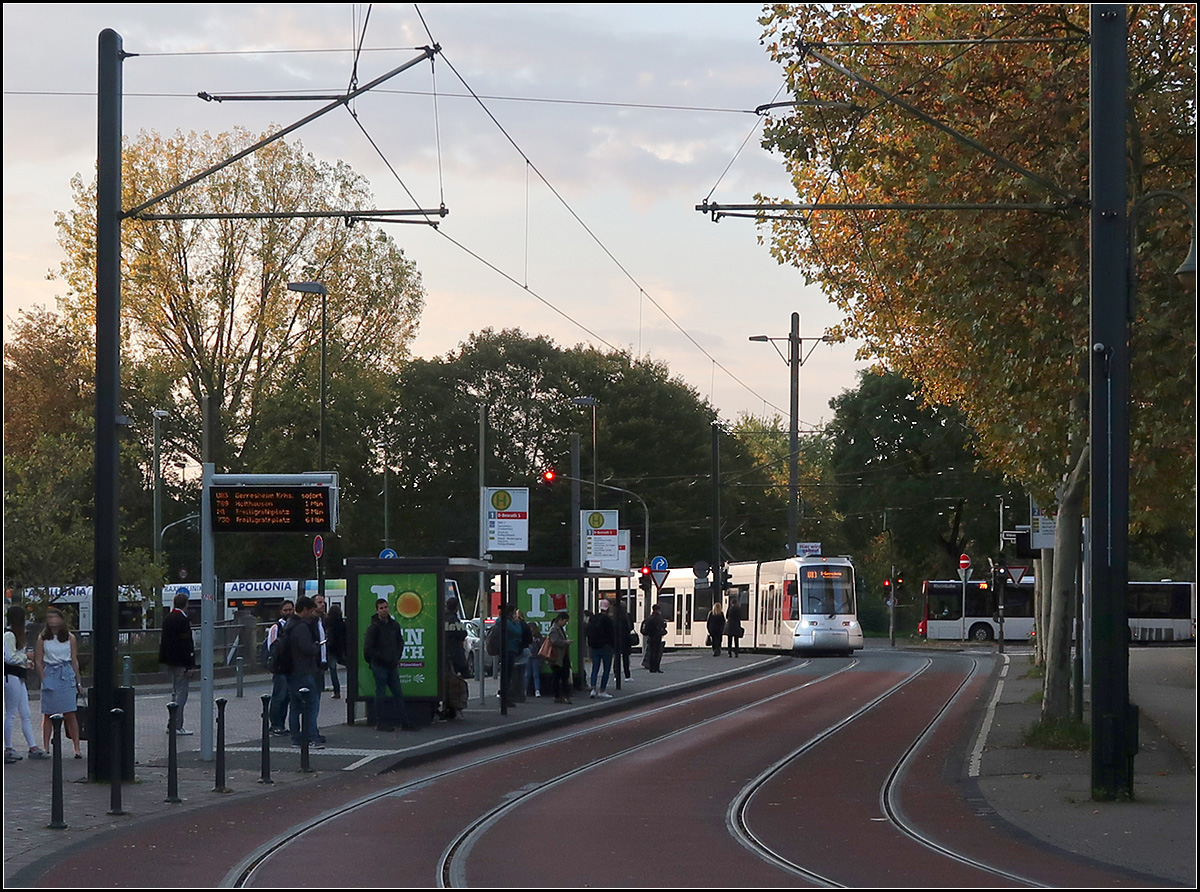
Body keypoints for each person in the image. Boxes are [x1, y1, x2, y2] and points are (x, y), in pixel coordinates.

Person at [33, 607, 83, 758]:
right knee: (48, 713)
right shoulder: (42, 638)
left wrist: (78, 681)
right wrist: (43, 678)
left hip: (66, 673)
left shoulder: (70, 637)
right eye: (50, 618)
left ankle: (76, 747)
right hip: (51, 673)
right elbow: (38, 660)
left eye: (56, 617)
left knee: (70, 712)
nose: (53, 621)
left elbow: (74, 659)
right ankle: (46, 747)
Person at [5, 605, 48, 762]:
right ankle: (9, 748)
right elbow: (9, 658)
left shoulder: (12, 635)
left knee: (24, 713)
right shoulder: (10, 635)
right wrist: (25, 658)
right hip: (12, 676)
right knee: (12, 712)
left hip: (16, 675)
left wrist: (24, 661)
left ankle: (31, 746)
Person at [363, 598, 413, 732]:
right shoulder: (373, 628)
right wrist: (379, 659)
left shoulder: (394, 625)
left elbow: (400, 642)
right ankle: (381, 723)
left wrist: (396, 657)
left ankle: (405, 722)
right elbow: (368, 648)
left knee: (398, 693)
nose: (384, 610)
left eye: (385, 607)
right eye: (381, 608)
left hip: (391, 664)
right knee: (381, 694)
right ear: (377, 610)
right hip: (379, 665)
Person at [285, 596, 323, 748]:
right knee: (311, 705)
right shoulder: (301, 627)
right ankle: (312, 737)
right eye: (311, 610)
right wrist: (317, 646)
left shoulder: (290, 624)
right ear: (306, 610)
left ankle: (296, 738)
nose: (312, 613)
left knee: (295, 706)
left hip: (291, 670)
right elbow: (307, 648)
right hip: (303, 670)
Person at [158, 591, 196, 735]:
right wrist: (189, 665)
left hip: (171, 662)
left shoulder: (168, 618)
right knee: (181, 693)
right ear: (185, 604)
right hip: (181, 662)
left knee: (175, 692)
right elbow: (186, 644)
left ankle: (172, 722)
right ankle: (177, 725)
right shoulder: (182, 620)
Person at [266, 600, 295, 735]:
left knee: (287, 697)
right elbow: (271, 648)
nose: (288, 612)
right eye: (286, 610)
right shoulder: (276, 627)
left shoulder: (293, 625)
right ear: (281, 612)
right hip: (279, 668)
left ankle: (281, 724)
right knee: (279, 696)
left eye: (290, 609)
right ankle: (275, 724)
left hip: (290, 667)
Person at [440, 596, 469, 720]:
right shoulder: (453, 619)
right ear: (456, 607)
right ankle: (451, 708)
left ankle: (446, 706)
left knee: (445, 682)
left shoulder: (442, 618)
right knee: (452, 681)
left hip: (443, 653)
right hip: (453, 654)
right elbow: (462, 634)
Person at [586, 599, 615, 699]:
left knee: (595, 668)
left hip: (594, 647)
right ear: (608, 608)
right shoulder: (608, 620)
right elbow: (612, 634)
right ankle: (602, 690)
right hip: (606, 647)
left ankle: (593, 689)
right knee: (606, 669)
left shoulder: (593, 618)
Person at [547, 612, 573, 703]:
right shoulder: (554, 629)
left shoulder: (559, 628)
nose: (565, 623)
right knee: (559, 677)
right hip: (557, 657)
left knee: (562, 676)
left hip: (562, 656)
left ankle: (561, 696)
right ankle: (559, 696)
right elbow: (555, 641)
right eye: (565, 621)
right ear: (560, 620)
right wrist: (566, 642)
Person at [325, 602, 347, 700]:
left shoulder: (327, 622)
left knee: (333, 671)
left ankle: (337, 691)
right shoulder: (342, 623)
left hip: (331, 649)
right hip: (340, 649)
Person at [640, 603, 668, 673]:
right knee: (656, 653)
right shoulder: (658, 618)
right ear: (658, 610)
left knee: (652, 653)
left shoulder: (650, 617)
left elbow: (646, 627)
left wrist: (648, 634)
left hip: (651, 637)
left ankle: (652, 668)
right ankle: (656, 667)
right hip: (657, 637)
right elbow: (663, 625)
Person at [614, 598, 634, 681]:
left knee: (617, 658)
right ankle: (627, 675)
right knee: (626, 658)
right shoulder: (627, 616)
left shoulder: (615, 616)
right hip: (626, 639)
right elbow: (631, 627)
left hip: (617, 639)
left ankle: (616, 675)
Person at [525, 614, 544, 698]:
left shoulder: (536, 637)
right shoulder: (538, 637)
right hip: (532, 657)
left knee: (532, 674)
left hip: (533, 657)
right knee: (529, 674)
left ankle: (535, 690)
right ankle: (531, 690)